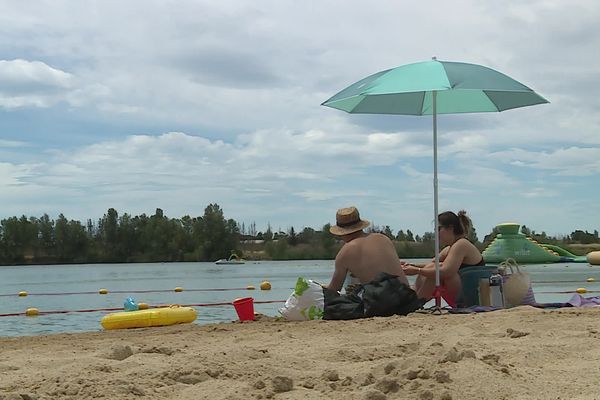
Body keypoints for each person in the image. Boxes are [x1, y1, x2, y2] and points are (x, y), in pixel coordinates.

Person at [402, 210, 484, 303]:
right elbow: (431, 264)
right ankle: (413, 298)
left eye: (438, 229)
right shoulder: (451, 248)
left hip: (470, 297)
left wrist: (417, 271)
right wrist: (411, 266)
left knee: (436, 270)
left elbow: (447, 271)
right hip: (463, 293)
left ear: (450, 228)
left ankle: (415, 302)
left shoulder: (462, 244)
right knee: (431, 267)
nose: (436, 233)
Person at [325, 206, 410, 292]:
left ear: (341, 232)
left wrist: (317, 288)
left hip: (383, 303)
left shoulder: (344, 253)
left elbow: (334, 289)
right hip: (408, 298)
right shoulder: (383, 238)